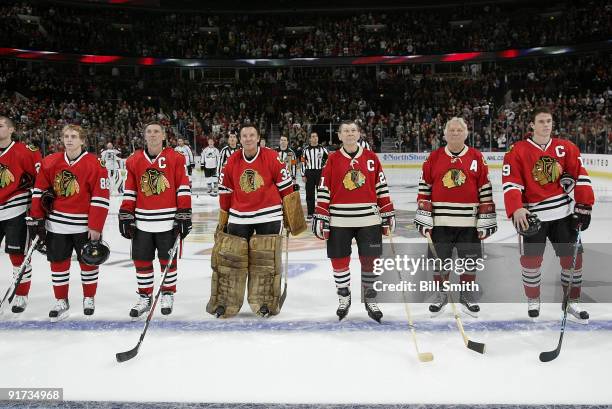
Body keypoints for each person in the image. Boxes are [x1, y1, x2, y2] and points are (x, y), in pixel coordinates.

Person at [502, 106, 594, 322]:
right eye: (541, 121)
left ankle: (572, 302)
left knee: (573, 260)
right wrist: (516, 207)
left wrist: (584, 205)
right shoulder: (517, 151)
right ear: (532, 125)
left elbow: (580, 176)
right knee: (531, 262)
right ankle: (533, 299)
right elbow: (511, 183)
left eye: (549, 121)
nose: (546, 125)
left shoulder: (566, 148)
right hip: (534, 216)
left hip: (563, 214)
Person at [207, 124, 303, 319]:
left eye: (252, 135)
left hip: (269, 215)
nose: (248, 138)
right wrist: (223, 219)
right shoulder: (232, 161)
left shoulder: (271, 157)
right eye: (244, 136)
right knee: (230, 261)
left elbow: (286, 188)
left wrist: (292, 218)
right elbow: (225, 192)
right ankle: (226, 301)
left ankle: (265, 301)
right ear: (240, 139)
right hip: (238, 216)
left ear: (258, 137)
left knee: (265, 262)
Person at [313, 120, 395, 323]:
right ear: (339, 136)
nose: (349, 134)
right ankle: (344, 297)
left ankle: (370, 298)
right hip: (339, 220)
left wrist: (387, 212)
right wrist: (321, 214)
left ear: (359, 134)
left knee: (371, 260)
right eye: (345, 131)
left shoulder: (371, 158)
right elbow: (324, 189)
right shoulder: (332, 160)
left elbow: (381, 187)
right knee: (339, 260)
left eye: (353, 130)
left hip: (369, 220)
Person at [414, 117, 497, 317]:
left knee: (469, 260)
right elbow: (424, 187)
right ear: (445, 134)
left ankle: (466, 295)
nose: (455, 133)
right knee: (438, 261)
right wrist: (423, 212)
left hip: (469, 221)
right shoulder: (433, 158)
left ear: (466, 133)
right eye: (451, 130)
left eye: (459, 130)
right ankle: (441, 293)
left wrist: (486, 217)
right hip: (440, 221)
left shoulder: (477, 157)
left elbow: (485, 188)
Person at [28, 125, 110, 321]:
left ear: (82, 141)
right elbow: (39, 191)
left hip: (84, 226)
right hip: (56, 224)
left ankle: (88, 297)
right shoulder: (50, 162)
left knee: (88, 262)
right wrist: (37, 219)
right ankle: (61, 300)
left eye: (74, 136)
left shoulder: (95, 163)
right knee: (58, 263)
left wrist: (96, 225)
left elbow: (101, 196)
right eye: (66, 136)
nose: (69, 140)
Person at [119, 122, 192, 318]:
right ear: (144, 136)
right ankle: (145, 297)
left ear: (163, 136)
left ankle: (167, 293)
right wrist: (126, 213)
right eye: (149, 132)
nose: (152, 135)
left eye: (156, 132)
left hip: (168, 220)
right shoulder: (134, 160)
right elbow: (130, 190)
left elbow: (183, 186)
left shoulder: (176, 158)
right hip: (143, 221)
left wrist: (184, 212)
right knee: (141, 260)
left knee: (167, 260)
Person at [0, 116, 42, 314]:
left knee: (17, 255)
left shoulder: (26, 152)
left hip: (15, 208)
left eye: (0, 126)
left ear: (11, 129)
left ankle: (21, 294)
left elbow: (41, 180)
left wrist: (38, 208)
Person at [301, 132, 328, 220]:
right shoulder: (305, 150)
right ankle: (310, 213)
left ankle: (321, 211)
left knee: (321, 193)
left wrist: (325, 171)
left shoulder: (323, 149)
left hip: (320, 172)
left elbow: (328, 160)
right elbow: (302, 162)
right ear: (310, 139)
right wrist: (303, 174)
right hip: (309, 172)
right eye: (313, 136)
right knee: (309, 194)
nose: (315, 138)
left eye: (316, 136)